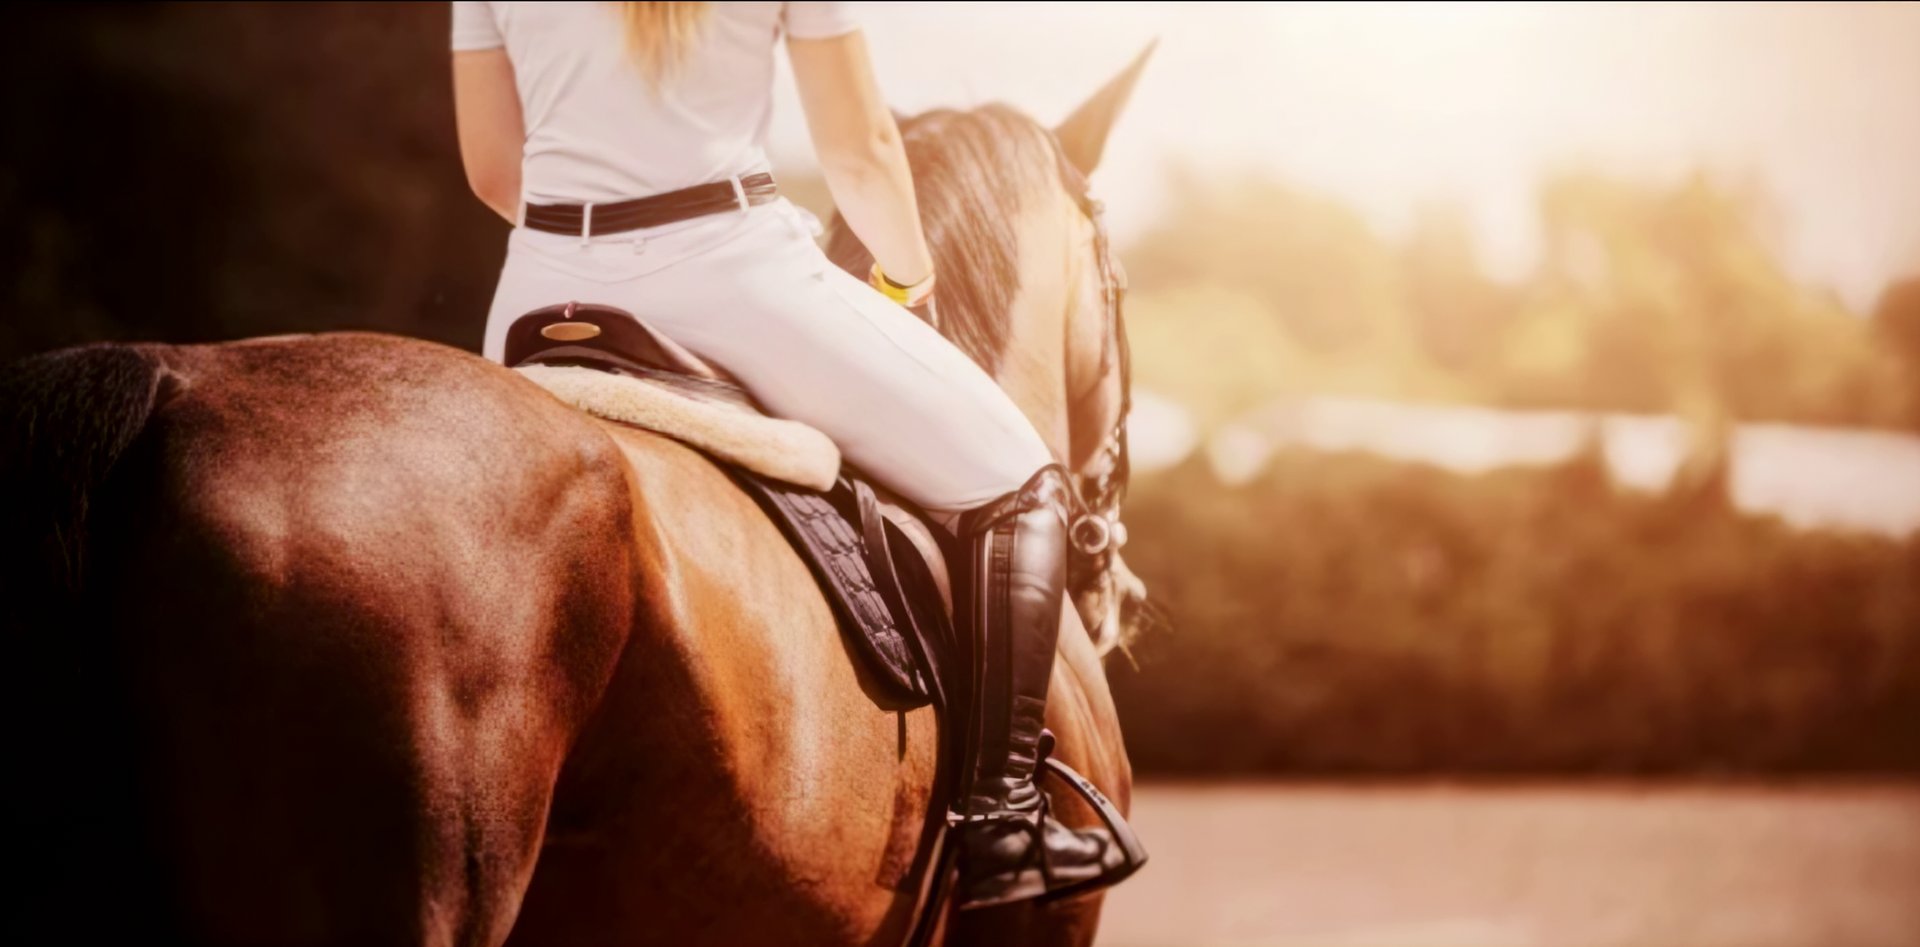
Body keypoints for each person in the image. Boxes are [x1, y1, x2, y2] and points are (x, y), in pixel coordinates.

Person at [451, 1, 1128, 908]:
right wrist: (903, 286)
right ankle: (1004, 820)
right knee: (1016, 476)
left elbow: (496, 168)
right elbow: (861, 155)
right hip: (731, 274)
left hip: (539, 289)